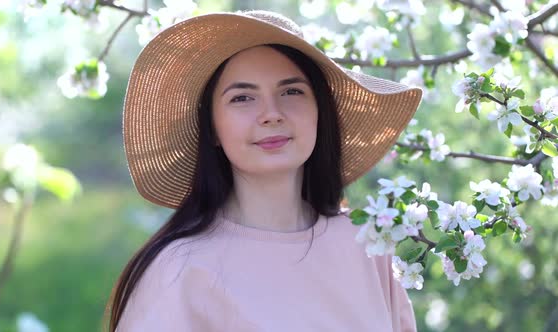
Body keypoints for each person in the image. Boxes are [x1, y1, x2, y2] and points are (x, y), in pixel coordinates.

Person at [106, 9, 423, 332]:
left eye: (291, 92)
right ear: (212, 128)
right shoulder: (179, 271)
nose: (271, 114)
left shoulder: (367, 244)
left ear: (319, 111)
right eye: (242, 97)